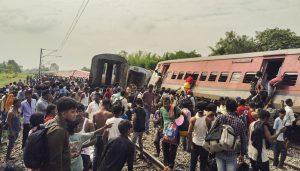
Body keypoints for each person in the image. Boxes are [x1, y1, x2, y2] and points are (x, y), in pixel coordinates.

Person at [40, 97, 78, 171]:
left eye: (76, 111)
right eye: (73, 112)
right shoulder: (58, 131)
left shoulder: (53, 122)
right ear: (63, 114)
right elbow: (55, 161)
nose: (76, 114)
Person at [211, 99, 247, 171]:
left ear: (226, 108)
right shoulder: (240, 122)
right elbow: (244, 139)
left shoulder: (220, 117)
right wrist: (242, 154)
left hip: (219, 149)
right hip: (232, 152)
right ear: (236, 108)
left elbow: (212, 131)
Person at [188, 101, 211, 171]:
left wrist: (191, 144)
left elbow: (189, 132)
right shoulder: (208, 120)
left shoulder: (193, 119)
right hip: (204, 145)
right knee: (203, 164)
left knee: (193, 163)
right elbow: (209, 132)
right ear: (204, 109)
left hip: (195, 143)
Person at [160, 97, 181, 169]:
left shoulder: (175, 108)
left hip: (174, 132)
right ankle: (166, 163)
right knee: (165, 148)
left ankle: (171, 164)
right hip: (165, 132)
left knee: (173, 149)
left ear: (170, 103)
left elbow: (182, 116)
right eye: (164, 103)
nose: (165, 105)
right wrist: (161, 126)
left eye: (166, 103)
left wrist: (176, 121)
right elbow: (162, 119)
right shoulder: (161, 109)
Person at [92, 99, 113, 171]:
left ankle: (94, 169)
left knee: (96, 154)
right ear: (107, 105)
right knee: (105, 155)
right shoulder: (110, 114)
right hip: (106, 137)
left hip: (97, 136)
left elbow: (94, 128)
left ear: (102, 104)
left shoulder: (95, 114)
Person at [76, 103, 95, 171]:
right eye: (76, 111)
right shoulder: (70, 122)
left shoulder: (89, 123)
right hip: (72, 153)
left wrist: (82, 146)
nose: (77, 113)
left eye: (79, 111)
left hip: (84, 153)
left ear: (83, 112)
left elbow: (94, 140)